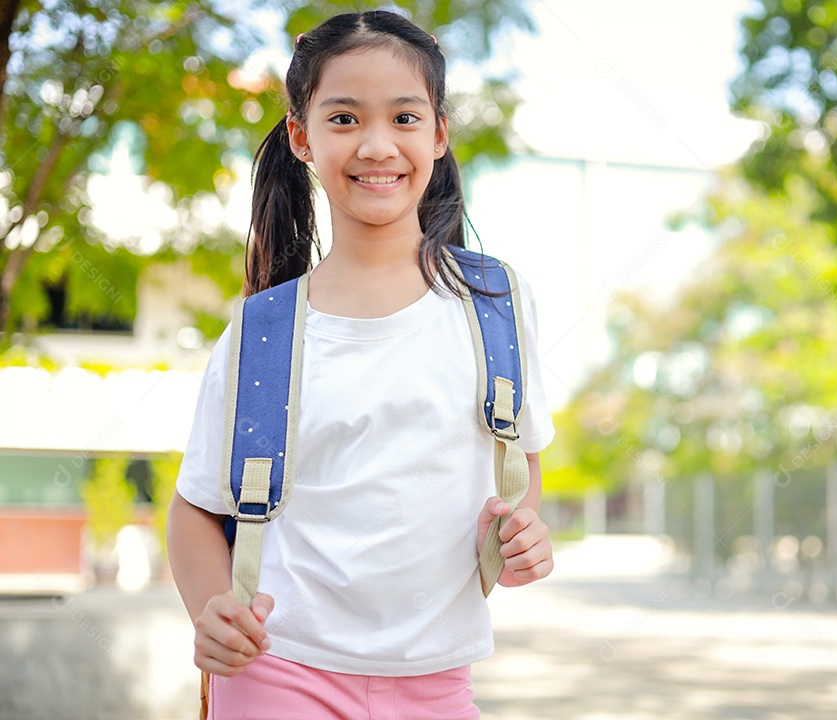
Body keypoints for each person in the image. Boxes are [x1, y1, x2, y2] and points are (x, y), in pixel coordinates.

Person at [165, 10, 555, 719]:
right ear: (301, 136)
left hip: (440, 679)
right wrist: (211, 608)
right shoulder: (262, 330)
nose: (378, 145)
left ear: (438, 133)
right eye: (344, 119)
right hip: (277, 672)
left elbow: (516, 461)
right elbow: (195, 506)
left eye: (404, 117)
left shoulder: (494, 302)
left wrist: (522, 529)